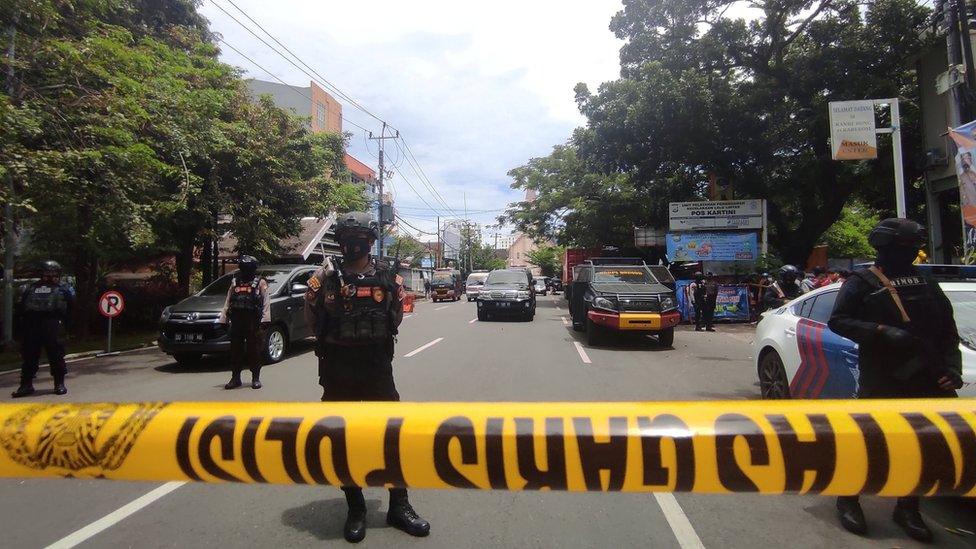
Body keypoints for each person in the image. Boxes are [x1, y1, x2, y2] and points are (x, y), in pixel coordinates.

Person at [828, 218, 962, 543]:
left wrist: (950, 368)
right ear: (886, 247)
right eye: (906, 247)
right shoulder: (861, 281)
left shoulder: (925, 282)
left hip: (928, 380)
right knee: (869, 442)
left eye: (914, 247)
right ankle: (848, 498)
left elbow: (948, 330)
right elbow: (839, 321)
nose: (913, 252)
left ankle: (908, 507)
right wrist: (881, 332)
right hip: (884, 376)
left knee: (921, 447)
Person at [305, 211, 430, 544]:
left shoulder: (389, 278)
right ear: (341, 242)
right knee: (343, 441)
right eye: (347, 239)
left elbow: (394, 318)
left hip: (376, 368)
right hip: (338, 367)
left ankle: (399, 506)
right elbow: (312, 316)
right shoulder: (325, 276)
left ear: (371, 242)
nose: (353, 245)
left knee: (391, 437)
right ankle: (356, 508)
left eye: (358, 239)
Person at [12, 260, 75, 397]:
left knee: (56, 355)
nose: (50, 276)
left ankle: (59, 383)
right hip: (32, 324)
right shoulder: (29, 288)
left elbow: (70, 308)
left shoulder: (63, 288)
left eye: (53, 273)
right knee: (29, 355)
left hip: (52, 323)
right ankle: (26, 385)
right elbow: (21, 309)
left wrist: (66, 327)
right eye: (47, 273)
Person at [217, 255, 270, 390]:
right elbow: (228, 301)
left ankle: (255, 378)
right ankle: (235, 378)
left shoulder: (260, 282)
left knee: (254, 350)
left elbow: (266, 303)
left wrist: (265, 321)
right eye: (243, 268)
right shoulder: (235, 282)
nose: (245, 270)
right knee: (235, 351)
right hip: (237, 321)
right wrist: (223, 319)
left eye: (248, 268)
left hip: (253, 322)